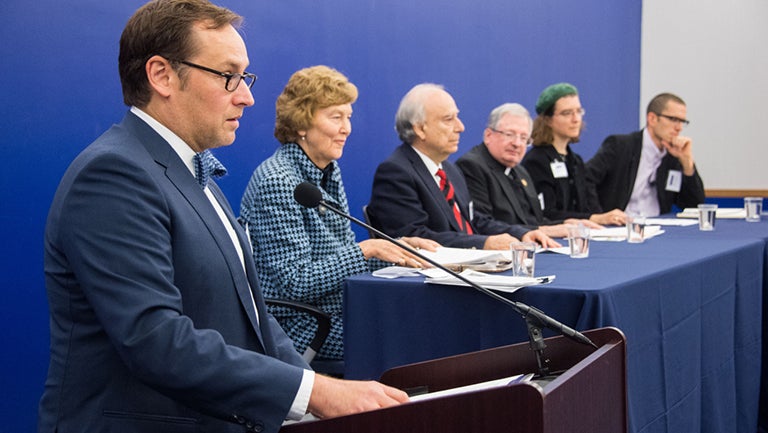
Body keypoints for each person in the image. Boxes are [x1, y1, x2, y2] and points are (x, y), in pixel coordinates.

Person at [38, 2, 407, 432]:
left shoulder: (197, 171)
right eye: (228, 75)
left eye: (245, 77)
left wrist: (312, 390)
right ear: (161, 75)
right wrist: (319, 394)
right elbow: (155, 339)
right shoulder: (113, 174)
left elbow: (250, 313)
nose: (247, 95)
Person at [240, 65, 437, 362]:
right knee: (419, 337)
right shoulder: (279, 182)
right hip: (302, 327)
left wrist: (396, 249)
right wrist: (367, 249)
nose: (347, 128)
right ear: (301, 124)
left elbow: (340, 259)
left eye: (348, 117)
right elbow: (295, 282)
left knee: (431, 320)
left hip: (340, 310)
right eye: (336, 117)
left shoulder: (326, 172)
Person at [367, 83, 559, 250]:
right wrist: (483, 244)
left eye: (457, 117)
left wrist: (521, 233)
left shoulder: (450, 170)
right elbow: (414, 239)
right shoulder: (396, 172)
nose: (460, 127)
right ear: (419, 128)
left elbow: (474, 221)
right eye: (448, 119)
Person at [456, 103, 605, 239]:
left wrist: (565, 222)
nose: (517, 144)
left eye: (524, 138)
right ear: (488, 135)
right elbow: (481, 223)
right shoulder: (472, 166)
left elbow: (534, 220)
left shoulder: (520, 171)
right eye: (509, 134)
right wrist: (542, 230)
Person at [521, 83, 626, 226]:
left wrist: (605, 217)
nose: (576, 119)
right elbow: (545, 214)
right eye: (567, 113)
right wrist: (593, 218)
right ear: (547, 119)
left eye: (578, 111)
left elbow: (588, 206)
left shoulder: (575, 161)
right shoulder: (536, 161)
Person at [586, 92, 705, 216]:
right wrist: (598, 216)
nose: (679, 127)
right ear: (652, 119)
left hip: (659, 227)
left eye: (682, 121)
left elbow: (694, 206)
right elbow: (586, 179)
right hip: (620, 226)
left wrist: (687, 163)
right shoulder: (621, 146)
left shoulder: (673, 156)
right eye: (673, 119)